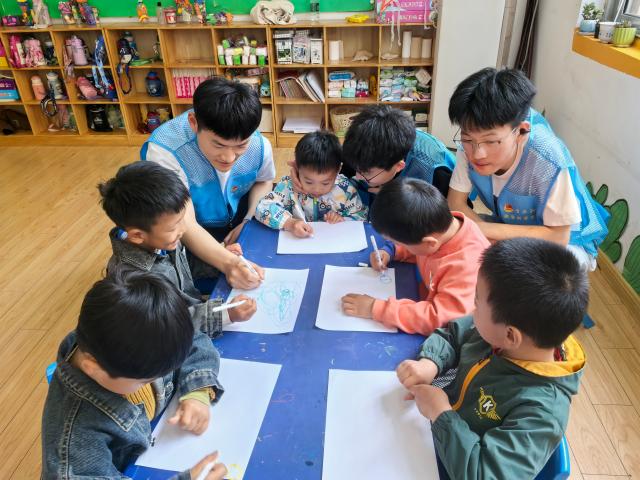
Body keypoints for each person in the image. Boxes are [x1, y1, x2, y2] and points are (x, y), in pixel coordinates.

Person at [397, 238, 588, 479]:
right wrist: (430, 363)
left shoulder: (541, 413)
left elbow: (484, 474)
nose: (472, 309)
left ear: (510, 335)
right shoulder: (505, 335)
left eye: (477, 302)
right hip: (433, 433)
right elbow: (454, 333)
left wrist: (441, 413)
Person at [41, 270, 228, 479]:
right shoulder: (75, 438)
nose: (156, 380)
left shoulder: (137, 334)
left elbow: (193, 340)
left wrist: (197, 393)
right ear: (93, 368)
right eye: (146, 381)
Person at [446, 67, 609, 270]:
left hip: (569, 243)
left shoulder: (547, 159)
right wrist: (486, 236)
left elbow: (558, 236)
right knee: (451, 236)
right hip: (510, 227)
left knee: (513, 272)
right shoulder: (470, 145)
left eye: (491, 141)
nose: (477, 154)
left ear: (521, 132)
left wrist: (483, 233)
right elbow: (455, 203)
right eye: (467, 139)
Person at [142, 76, 274, 288]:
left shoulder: (259, 144)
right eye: (218, 145)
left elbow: (264, 181)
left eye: (241, 146)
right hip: (189, 229)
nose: (229, 157)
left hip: (238, 220)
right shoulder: (165, 151)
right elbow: (183, 221)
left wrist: (248, 220)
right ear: (194, 123)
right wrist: (229, 263)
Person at [99, 162, 256, 338]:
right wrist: (225, 314)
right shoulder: (134, 282)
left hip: (196, 309)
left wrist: (221, 258)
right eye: (174, 226)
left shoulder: (162, 239)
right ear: (137, 235)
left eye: (183, 219)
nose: (183, 229)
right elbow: (168, 325)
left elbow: (186, 264)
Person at [341, 178, 488, 335]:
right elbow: (419, 246)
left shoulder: (465, 267)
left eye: (398, 243)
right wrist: (391, 251)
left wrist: (375, 308)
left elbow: (438, 319)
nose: (398, 245)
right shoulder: (437, 226)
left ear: (429, 243)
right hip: (424, 293)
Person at [289, 105, 456, 214]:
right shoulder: (358, 149)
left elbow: (448, 219)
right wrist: (303, 169)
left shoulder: (434, 170)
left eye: (366, 173)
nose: (357, 175)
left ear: (399, 166)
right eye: (357, 168)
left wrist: (398, 198)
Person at [255, 130, 367, 237]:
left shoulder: (345, 189)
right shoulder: (288, 186)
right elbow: (262, 207)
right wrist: (289, 223)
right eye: (309, 182)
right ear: (297, 167)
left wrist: (343, 220)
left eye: (325, 183)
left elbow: (361, 215)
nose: (317, 189)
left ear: (338, 170)